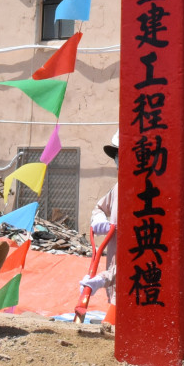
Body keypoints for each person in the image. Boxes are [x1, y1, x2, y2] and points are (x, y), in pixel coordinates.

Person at [78, 131, 119, 306]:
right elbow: (99, 207)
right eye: (117, 155)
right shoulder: (120, 187)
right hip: (116, 287)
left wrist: (103, 279)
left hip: (138, 293)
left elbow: (140, 261)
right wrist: (99, 219)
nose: (117, 161)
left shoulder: (150, 195)